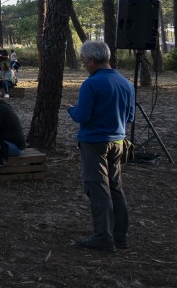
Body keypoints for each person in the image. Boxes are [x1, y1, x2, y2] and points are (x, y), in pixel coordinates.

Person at [65, 40, 134, 252]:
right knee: (115, 188)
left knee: (98, 189)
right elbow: (129, 116)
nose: (84, 65)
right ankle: (120, 236)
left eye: (84, 61)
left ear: (93, 61)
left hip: (94, 142)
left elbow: (82, 115)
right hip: (118, 141)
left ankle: (103, 237)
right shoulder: (126, 83)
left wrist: (70, 110)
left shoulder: (91, 84)